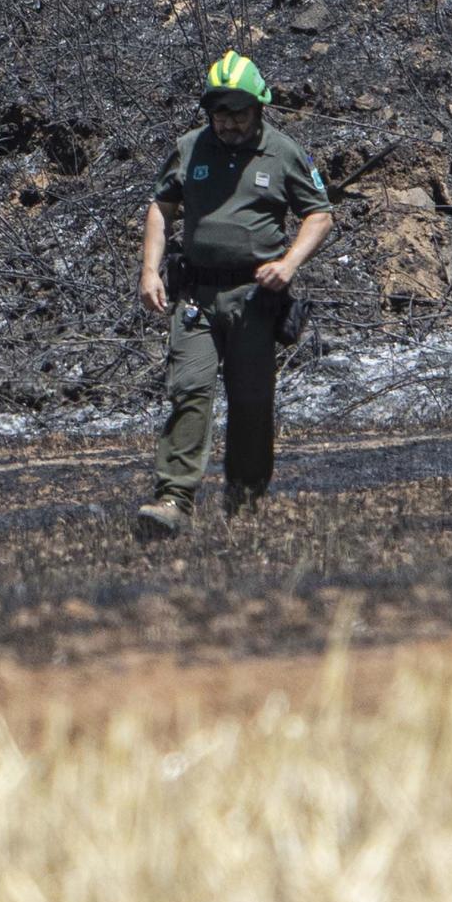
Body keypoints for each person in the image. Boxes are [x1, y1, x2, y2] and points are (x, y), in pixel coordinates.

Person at [135, 50, 333, 537]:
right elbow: (162, 206)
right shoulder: (189, 148)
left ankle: (244, 502)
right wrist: (149, 270)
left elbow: (320, 214)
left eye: (238, 113)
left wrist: (288, 264)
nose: (228, 123)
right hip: (197, 294)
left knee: (250, 400)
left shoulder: (285, 153)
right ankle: (173, 499)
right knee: (190, 390)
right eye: (220, 113)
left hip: (253, 299)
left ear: (259, 107)